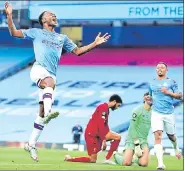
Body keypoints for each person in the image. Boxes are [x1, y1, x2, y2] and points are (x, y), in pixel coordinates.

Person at [5, 2, 111, 162]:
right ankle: (48, 112)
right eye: (50, 14)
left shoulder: (62, 38)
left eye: (54, 15)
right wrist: (9, 16)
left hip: (52, 74)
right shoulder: (35, 32)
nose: (54, 16)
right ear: (43, 20)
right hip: (39, 69)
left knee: (41, 112)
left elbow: (78, 52)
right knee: (48, 85)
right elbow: (13, 32)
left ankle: (31, 144)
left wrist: (94, 44)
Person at [64, 94, 122, 164]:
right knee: (92, 160)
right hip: (92, 135)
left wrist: (107, 135)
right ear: (114, 102)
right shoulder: (102, 107)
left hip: (97, 134)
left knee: (117, 137)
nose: (117, 108)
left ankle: (108, 158)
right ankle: (70, 159)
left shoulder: (106, 108)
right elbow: (100, 125)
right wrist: (104, 140)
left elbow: (105, 125)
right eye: (118, 105)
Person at [148, 62, 182, 170]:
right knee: (157, 136)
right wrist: (148, 100)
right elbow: (150, 97)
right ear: (156, 70)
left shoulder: (171, 82)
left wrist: (168, 93)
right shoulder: (151, 83)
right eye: (158, 68)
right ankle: (160, 164)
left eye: (162, 68)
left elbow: (180, 96)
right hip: (156, 112)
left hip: (169, 113)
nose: (160, 69)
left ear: (166, 70)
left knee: (171, 136)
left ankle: (176, 147)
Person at [114, 92, 152, 167]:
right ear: (144, 98)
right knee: (126, 163)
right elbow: (133, 128)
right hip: (132, 139)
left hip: (143, 140)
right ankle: (116, 155)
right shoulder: (137, 110)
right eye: (148, 97)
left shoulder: (153, 112)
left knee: (143, 164)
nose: (150, 99)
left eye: (152, 97)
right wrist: (137, 144)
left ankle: (135, 159)